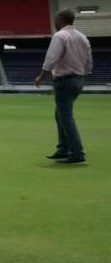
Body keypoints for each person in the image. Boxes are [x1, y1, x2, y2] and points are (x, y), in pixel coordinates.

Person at [35, 9, 93, 164]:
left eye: (56, 19)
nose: (55, 22)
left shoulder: (60, 36)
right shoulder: (82, 37)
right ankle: (63, 148)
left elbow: (52, 57)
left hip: (64, 80)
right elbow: (88, 61)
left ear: (60, 20)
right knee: (60, 114)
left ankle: (77, 153)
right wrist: (82, 74)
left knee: (66, 117)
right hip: (78, 79)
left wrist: (41, 76)